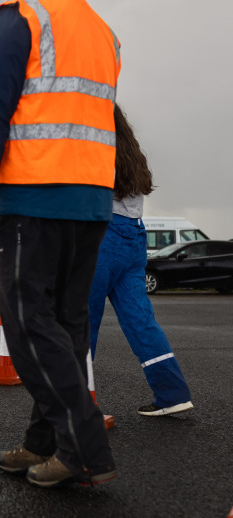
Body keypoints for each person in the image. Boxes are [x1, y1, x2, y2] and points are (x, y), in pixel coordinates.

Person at [0, 0, 121, 487]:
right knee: (67, 326)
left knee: (29, 325)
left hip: (34, 192)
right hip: (93, 198)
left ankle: (84, 451)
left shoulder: (21, 16)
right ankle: (43, 443)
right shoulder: (99, 27)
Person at [88, 106, 193, 417]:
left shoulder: (94, 147)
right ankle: (172, 393)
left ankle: (75, 405)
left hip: (100, 237)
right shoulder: (132, 155)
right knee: (141, 322)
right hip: (133, 238)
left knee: (81, 322)